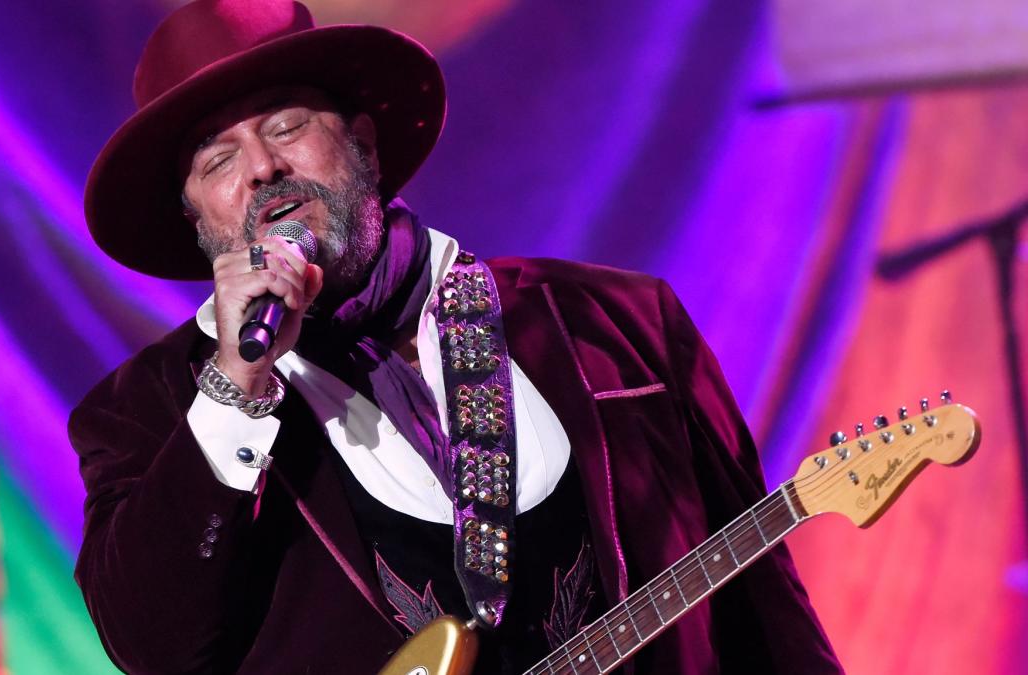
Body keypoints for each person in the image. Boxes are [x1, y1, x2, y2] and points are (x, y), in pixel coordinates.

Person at [71, 1, 843, 673]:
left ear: (364, 145)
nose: (264, 167)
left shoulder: (617, 324)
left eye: (288, 125)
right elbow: (152, 645)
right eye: (219, 159)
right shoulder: (143, 412)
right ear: (197, 219)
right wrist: (236, 383)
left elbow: (765, 618)